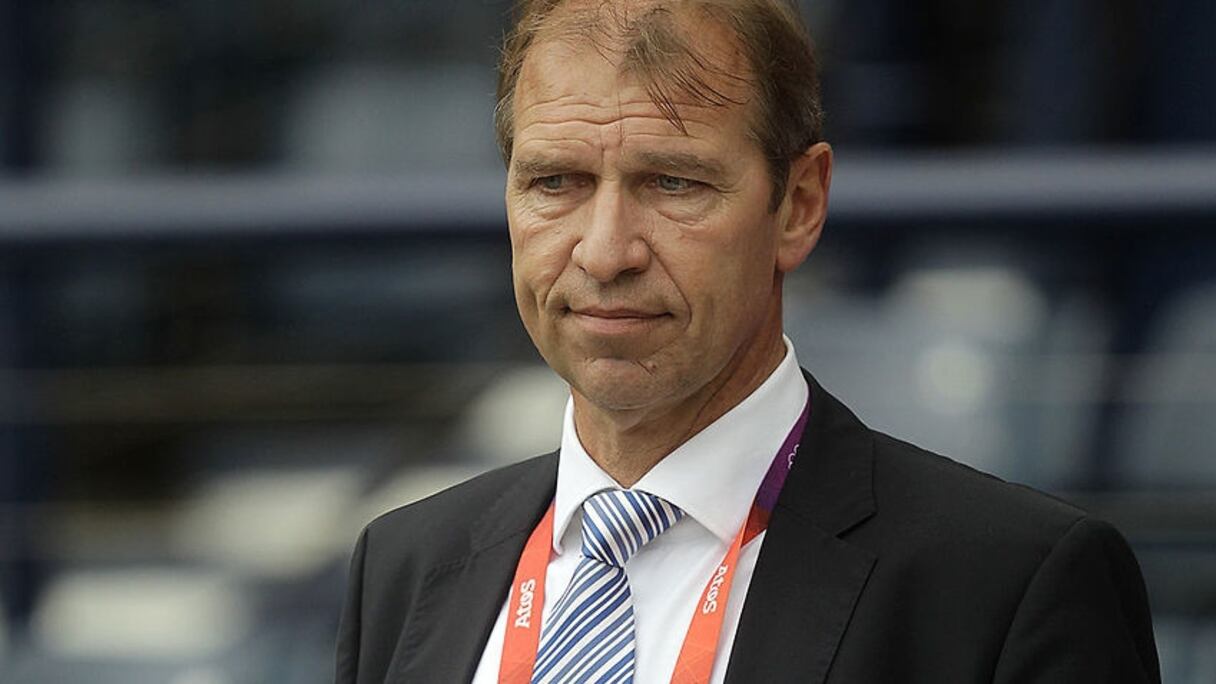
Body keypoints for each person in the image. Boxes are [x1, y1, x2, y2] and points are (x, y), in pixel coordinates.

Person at [335, 1, 1161, 681]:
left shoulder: (1007, 586)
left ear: (799, 205)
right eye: (556, 182)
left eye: (673, 183)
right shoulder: (404, 567)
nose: (605, 252)